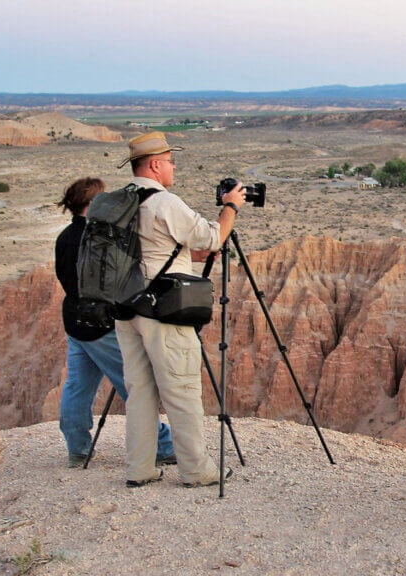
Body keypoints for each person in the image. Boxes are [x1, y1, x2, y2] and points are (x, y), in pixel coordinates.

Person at [114, 132, 245, 488]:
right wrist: (230, 206)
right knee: (182, 390)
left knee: (140, 393)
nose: (174, 168)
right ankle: (196, 470)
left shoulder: (120, 200)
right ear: (155, 165)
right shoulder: (164, 202)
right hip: (163, 312)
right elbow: (212, 238)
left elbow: (157, 248)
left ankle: (139, 468)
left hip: (127, 310)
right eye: (171, 162)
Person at [55, 177, 176, 469]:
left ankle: (78, 449)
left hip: (76, 322)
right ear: (93, 203)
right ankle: (163, 447)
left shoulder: (65, 236)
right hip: (103, 326)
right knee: (136, 387)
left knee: (77, 388)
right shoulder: (98, 238)